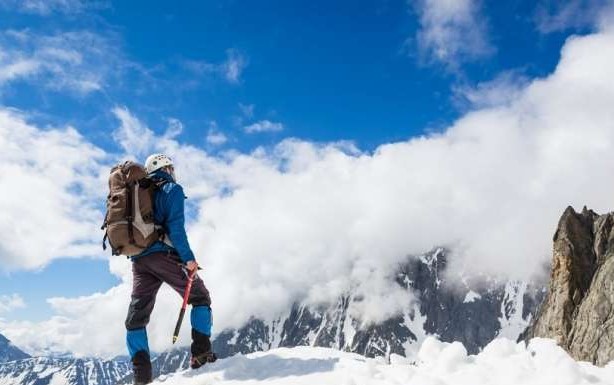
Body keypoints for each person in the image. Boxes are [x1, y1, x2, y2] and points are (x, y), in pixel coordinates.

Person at [124, 153, 215, 385]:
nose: (173, 171)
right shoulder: (171, 189)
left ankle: (141, 378)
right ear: (166, 168)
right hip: (163, 255)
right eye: (171, 167)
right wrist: (189, 259)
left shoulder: (136, 190)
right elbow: (176, 228)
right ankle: (201, 355)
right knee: (200, 297)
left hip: (139, 260)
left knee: (136, 318)